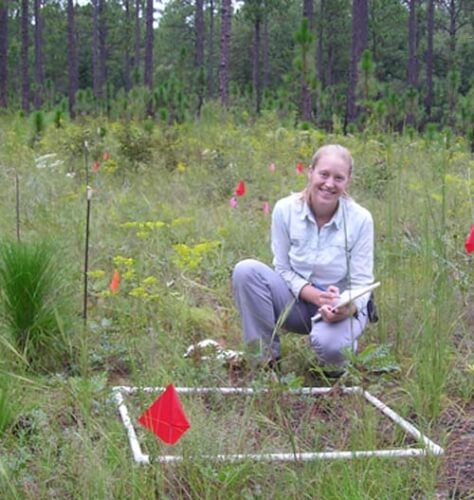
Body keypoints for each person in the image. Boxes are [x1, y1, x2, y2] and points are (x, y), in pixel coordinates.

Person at [232, 144, 374, 373]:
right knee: (246, 270)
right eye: (324, 174)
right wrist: (315, 296)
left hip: (340, 306)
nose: (329, 184)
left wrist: (346, 308)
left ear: (348, 181)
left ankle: (340, 354)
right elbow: (282, 268)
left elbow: (362, 283)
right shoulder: (285, 210)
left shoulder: (361, 220)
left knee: (331, 349)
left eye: (339, 178)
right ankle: (265, 363)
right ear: (310, 172)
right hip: (296, 303)